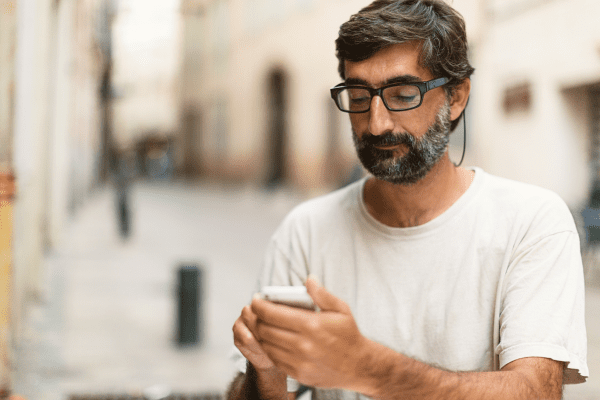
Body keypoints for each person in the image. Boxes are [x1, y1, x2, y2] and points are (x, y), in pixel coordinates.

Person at [227, 1, 588, 399]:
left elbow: (536, 391)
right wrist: (266, 372)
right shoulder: (305, 230)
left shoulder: (531, 222)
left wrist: (368, 367)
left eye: (402, 94)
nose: (377, 123)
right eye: (359, 95)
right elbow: (264, 392)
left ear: (456, 97)